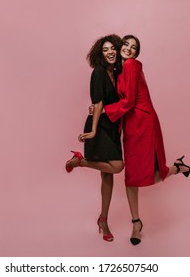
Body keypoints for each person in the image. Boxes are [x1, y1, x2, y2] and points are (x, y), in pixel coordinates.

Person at [92, 35, 190, 245]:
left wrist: (101, 112)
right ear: (120, 48)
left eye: (133, 47)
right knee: (132, 176)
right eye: (126, 44)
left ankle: (137, 222)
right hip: (131, 123)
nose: (129, 49)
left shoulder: (130, 65)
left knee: (135, 177)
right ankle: (138, 220)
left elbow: (127, 102)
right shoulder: (120, 69)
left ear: (136, 53)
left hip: (141, 123)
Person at [65, 34, 124, 242]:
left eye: (113, 49)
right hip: (98, 126)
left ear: (117, 50)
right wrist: (92, 131)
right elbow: (97, 104)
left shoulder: (117, 72)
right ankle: (81, 161)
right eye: (105, 49)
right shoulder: (98, 73)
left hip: (114, 127)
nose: (110, 52)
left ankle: (103, 220)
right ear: (100, 53)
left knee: (108, 176)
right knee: (117, 166)